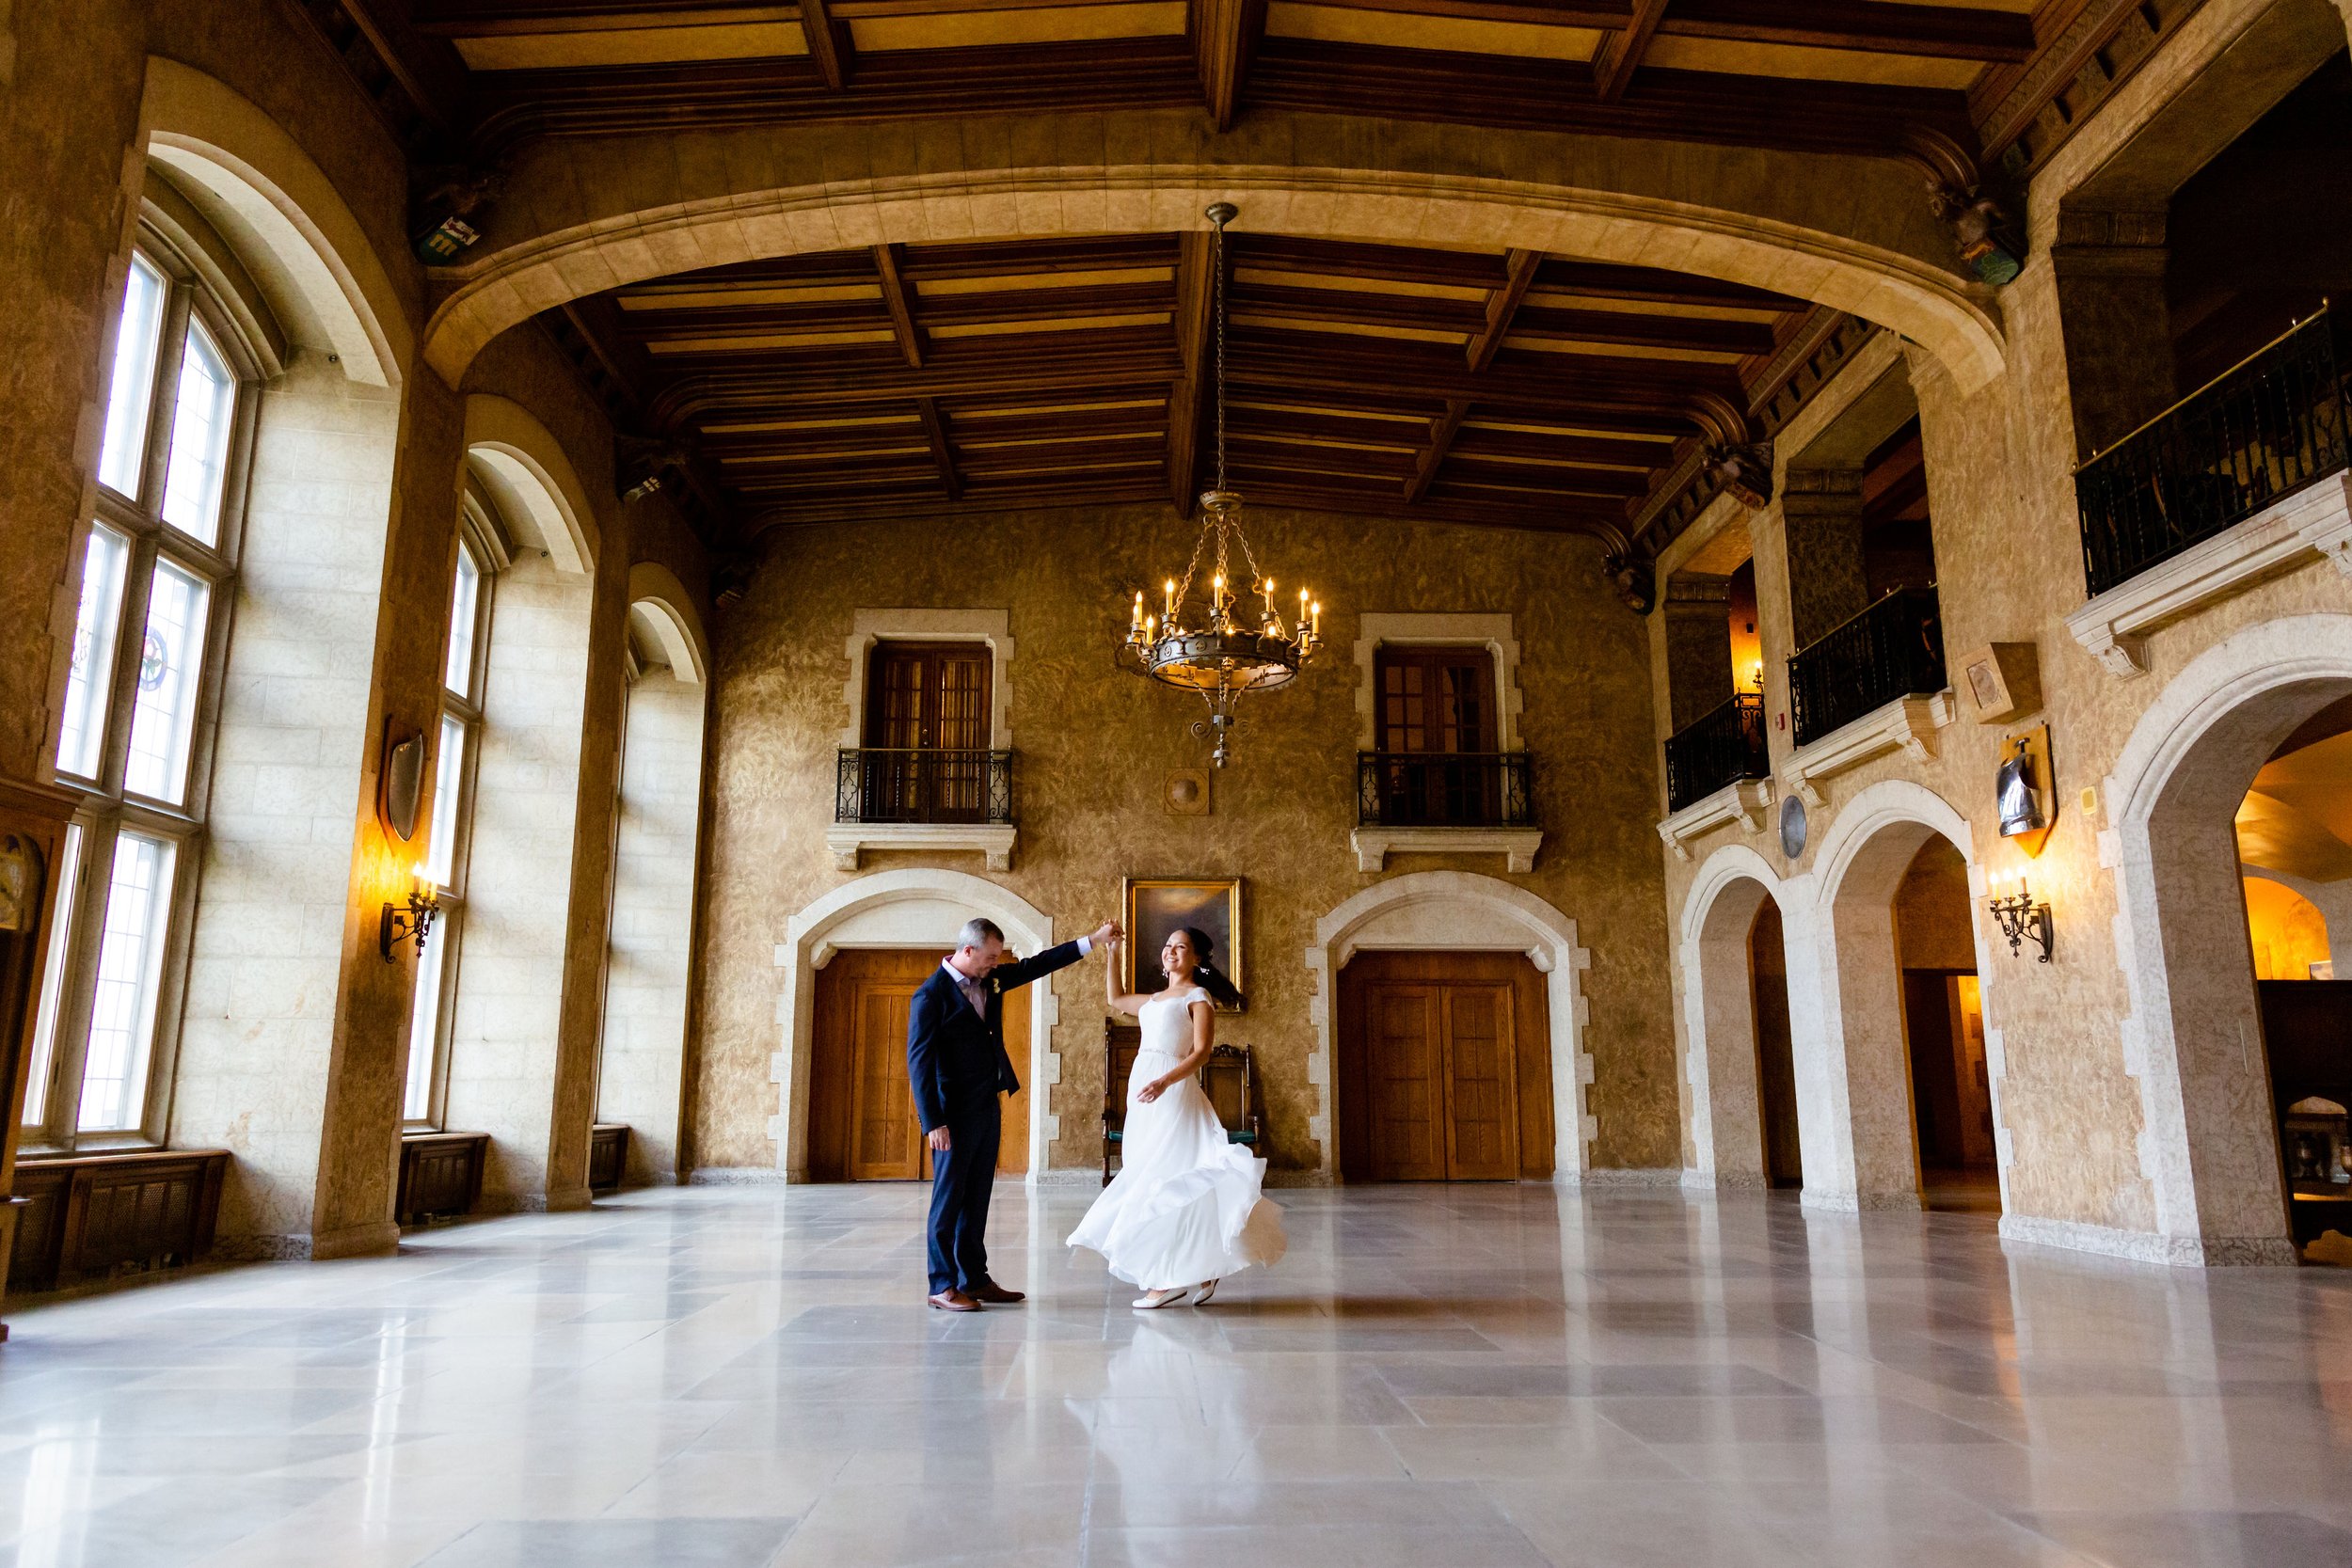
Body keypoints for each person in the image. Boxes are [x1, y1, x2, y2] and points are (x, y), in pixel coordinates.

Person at [909, 914, 1119, 1312]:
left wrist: (1092, 940)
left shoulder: (991, 980)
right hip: (950, 1116)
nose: (995, 963)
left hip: (987, 1106)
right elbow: (918, 1062)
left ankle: (974, 1278)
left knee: (977, 1198)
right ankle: (942, 1284)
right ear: (967, 950)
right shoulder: (930, 997)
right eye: (989, 956)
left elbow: (1038, 964)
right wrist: (932, 1121)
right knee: (948, 1200)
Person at [1069, 927, 1288, 1308]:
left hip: (1171, 1090)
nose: (1171, 951)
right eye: (1168, 945)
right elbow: (1115, 998)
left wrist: (1166, 1081)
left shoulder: (1197, 996)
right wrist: (1113, 951)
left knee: (1164, 1177)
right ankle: (1201, 1268)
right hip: (1145, 1091)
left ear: (1197, 959)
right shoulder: (1155, 999)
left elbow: (1202, 1052)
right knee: (1152, 1170)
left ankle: (1166, 1278)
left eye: (1181, 947)